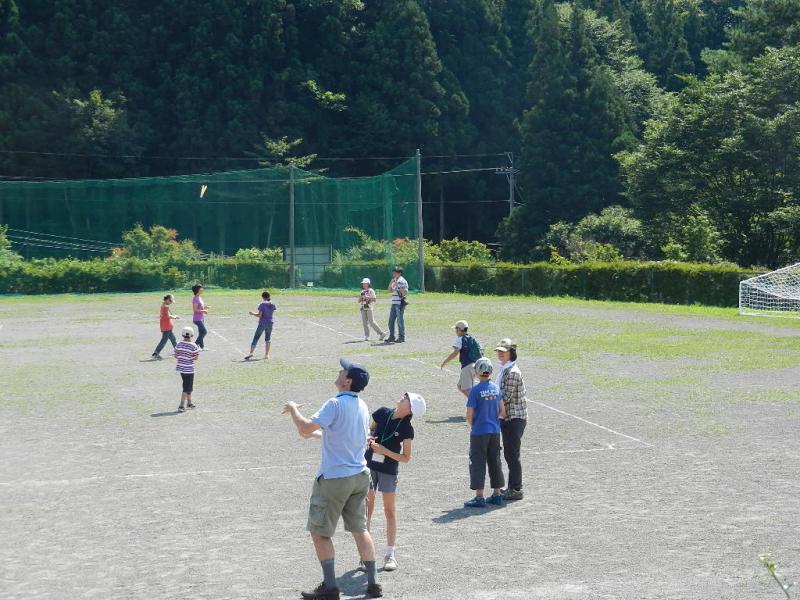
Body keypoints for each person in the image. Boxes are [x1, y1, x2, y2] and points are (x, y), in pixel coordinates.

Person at [283, 358, 382, 600]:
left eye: (343, 370)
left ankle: (330, 587)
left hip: (335, 479)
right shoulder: (361, 405)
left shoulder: (335, 404)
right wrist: (321, 436)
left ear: (347, 381)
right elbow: (343, 436)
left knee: (320, 532)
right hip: (359, 476)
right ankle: (373, 584)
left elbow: (305, 429)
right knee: (360, 529)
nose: (340, 371)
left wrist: (294, 409)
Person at [364, 392, 425, 572]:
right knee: (367, 508)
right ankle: (365, 556)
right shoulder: (382, 412)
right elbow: (370, 430)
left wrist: (384, 451)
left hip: (389, 471)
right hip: (368, 465)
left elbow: (405, 457)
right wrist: (369, 438)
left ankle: (390, 555)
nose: (402, 397)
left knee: (389, 511)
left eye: (406, 398)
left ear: (410, 409)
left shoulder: (406, 428)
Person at [464, 357, 506, 508]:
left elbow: (469, 414)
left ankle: (479, 496)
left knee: (478, 462)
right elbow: (502, 411)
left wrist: (474, 425)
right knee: (495, 461)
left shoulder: (475, 391)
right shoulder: (496, 388)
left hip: (479, 432)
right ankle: (497, 493)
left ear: (477, 372)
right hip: (494, 431)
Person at [495, 338, 528, 501]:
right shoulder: (504, 369)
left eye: (503, 351)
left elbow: (505, 397)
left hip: (514, 418)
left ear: (511, 353)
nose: (500, 353)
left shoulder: (513, 372)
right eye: (499, 351)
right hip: (508, 417)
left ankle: (516, 488)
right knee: (509, 453)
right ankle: (512, 487)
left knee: (512, 454)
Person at [439, 320, 483, 398]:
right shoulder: (472, 338)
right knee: (460, 386)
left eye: (456, 329)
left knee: (465, 389)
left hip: (467, 367)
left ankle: (476, 405)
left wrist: (445, 362)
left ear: (459, 329)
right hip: (476, 366)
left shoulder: (460, 339)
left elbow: (455, 353)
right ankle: (474, 402)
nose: (455, 331)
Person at [175, 326, 200, 412]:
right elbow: (196, 357)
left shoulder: (178, 344)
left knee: (188, 387)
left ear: (182, 334)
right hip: (189, 369)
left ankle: (189, 403)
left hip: (181, 369)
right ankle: (181, 405)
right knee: (186, 388)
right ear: (192, 335)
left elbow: (176, 355)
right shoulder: (194, 346)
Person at [245, 291, 276, 360]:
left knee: (256, 337)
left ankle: (251, 353)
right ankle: (267, 355)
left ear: (262, 297)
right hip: (270, 323)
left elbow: (260, 315)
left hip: (262, 323)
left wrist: (252, 313)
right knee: (268, 339)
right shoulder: (272, 304)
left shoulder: (262, 304)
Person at [151, 294, 179, 360]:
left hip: (166, 326)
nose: (171, 302)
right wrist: (175, 317)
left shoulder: (163, 305)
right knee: (164, 341)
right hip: (167, 327)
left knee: (173, 339)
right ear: (166, 299)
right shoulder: (165, 307)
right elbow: (168, 316)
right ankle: (155, 354)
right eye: (170, 301)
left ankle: (178, 352)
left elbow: (166, 315)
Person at [386, 267, 408, 343]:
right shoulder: (395, 280)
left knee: (400, 321)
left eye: (395, 272)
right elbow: (388, 291)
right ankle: (392, 336)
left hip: (400, 303)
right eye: (393, 272)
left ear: (399, 273)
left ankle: (401, 337)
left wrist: (397, 286)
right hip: (394, 303)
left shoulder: (403, 281)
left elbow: (405, 293)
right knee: (390, 321)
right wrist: (391, 282)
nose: (393, 274)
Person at [191, 284, 209, 350]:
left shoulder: (199, 297)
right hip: (197, 319)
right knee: (204, 332)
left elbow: (200, 307)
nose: (202, 289)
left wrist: (205, 307)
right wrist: (204, 311)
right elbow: (195, 310)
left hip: (201, 318)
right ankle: (195, 345)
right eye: (201, 288)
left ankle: (202, 347)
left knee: (201, 332)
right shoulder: (195, 298)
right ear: (198, 290)